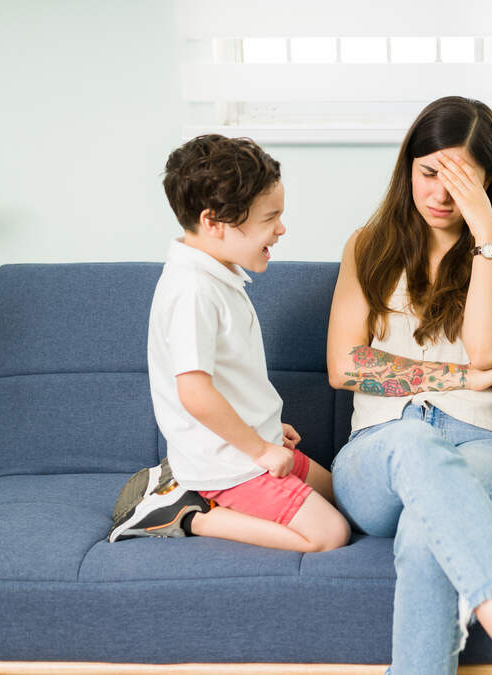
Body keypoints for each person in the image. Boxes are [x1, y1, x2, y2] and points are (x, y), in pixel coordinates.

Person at [326, 96, 492, 674]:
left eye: (459, 181)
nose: (439, 194)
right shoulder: (368, 246)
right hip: (379, 454)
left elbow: (488, 349)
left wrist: (486, 235)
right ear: (408, 166)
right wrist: (459, 377)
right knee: (413, 444)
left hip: (484, 449)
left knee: (424, 534)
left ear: (486, 185)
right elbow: (344, 366)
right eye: (429, 172)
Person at [108, 134, 349, 553]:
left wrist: (266, 428)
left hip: (253, 446)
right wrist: (257, 447)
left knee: (349, 497)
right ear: (214, 221)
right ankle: (186, 515)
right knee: (331, 535)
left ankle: (188, 487)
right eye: (269, 218)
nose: (281, 228)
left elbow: (231, 377)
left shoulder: (218, 275)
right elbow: (195, 392)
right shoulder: (192, 291)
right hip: (230, 465)